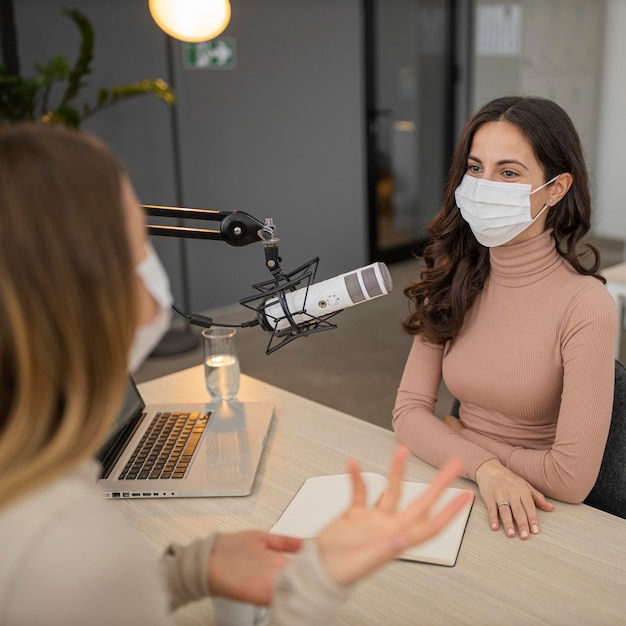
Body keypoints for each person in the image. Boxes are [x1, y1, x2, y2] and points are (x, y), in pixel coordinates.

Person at [0, 123, 472, 625]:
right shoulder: (70, 550)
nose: (150, 269)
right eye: (138, 243)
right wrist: (318, 582)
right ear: (80, 294)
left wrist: (189, 571)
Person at [392, 95, 617, 541]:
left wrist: (465, 442)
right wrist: (484, 468)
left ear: (555, 188)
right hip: (466, 484)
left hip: (538, 513)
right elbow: (407, 414)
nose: (483, 184)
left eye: (508, 172)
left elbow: (570, 479)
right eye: (475, 168)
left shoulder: (585, 303)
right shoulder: (453, 274)